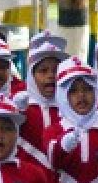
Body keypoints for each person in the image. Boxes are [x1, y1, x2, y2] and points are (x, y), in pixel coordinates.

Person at [13, 41, 66, 169]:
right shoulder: (22, 106)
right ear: (32, 76)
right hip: (27, 177)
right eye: (43, 71)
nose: (51, 76)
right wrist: (15, 112)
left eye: (56, 70)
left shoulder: (69, 109)